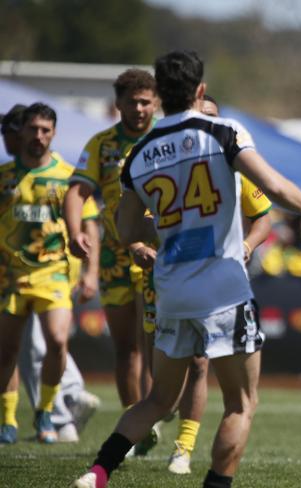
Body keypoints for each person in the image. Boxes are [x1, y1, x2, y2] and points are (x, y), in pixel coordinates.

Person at [72, 50, 301, 488]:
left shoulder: (138, 154)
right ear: (200, 91)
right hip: (223, 289)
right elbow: (272, 186)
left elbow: (124, 229)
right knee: (241, 404)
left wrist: (173, 227)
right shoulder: (222, 130)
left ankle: (98, 472)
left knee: (158, 398)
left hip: (171, 289)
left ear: (158, 96)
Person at [164, 93, 273, 475]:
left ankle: (183, 448)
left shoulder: (237, 162)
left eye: (212, 116)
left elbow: (264, 218)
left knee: (204, 367)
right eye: (200, 116)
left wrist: (245, 245)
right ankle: (128, 442)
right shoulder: (172, 163)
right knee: (151, 373)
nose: (206, 123)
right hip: (170, 280)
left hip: (222, 284)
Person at [63, 69, 160, 453]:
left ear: (156, 103)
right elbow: (76, 192)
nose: (138, 108)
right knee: (127, 348)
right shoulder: (102, 145)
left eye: (145, 101)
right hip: (117, 258)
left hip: (160, 253)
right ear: (117, 104)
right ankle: (133, 426)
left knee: (157, 345)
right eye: (131, 102)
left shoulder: (167, 139)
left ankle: (158, 409)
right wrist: (75, 233)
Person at [0, 104, 100, 445]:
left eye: (45, 130)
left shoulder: (69, 176)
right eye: (33, 129)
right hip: (10, 276)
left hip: (53, 273)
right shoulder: (5, 178)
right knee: (8, 350)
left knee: (57, 341)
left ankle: (46, 410)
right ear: (22, 132)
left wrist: (91, 271)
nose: (39, 136)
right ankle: (8, 419)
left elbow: (90, 222)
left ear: (53, 133)